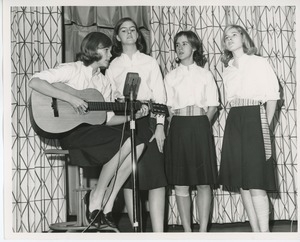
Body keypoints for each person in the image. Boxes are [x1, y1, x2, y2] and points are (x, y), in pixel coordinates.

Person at [28, 32, 148, 231]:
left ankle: (107, 202)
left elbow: (107, 119)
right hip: (71, 133)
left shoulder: (104, 83)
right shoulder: (72, 69)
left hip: (93, 132)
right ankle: (96, 196)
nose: (111, 54)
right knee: (128, 141)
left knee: (139, 142)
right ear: (93, 49)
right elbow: (35, 82)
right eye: (107, 50)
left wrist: (135, 116)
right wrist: (70, 98)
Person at [105, 17, 167, 232]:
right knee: (130, 176)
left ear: (138, 35)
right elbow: (109, 96)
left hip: (148, 121)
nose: (129, 33)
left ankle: (159, 233)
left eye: (133, 29)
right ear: (117, 36)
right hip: (125, 121)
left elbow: (160, 95)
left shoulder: (149, 62)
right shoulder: (113, 65)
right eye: (124, 30)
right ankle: (137, 231)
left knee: (156, 177)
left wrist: (160, 126)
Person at [218, 24, 280, 232]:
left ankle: (265, 233)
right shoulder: (227, 70)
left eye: (234, 34)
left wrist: (266, 125)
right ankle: (255, 232)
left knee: (256, 181)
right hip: (234, 119)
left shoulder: (259, 62)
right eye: (226, 36)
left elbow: (272, 96)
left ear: (243, 37)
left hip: (255, 118)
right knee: (242, 180)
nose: (229, 38)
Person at [164, 31, 219, 232]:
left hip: (200, 126)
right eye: (177, 44)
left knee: (204, 182)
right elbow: (168, 108)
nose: (180, 48)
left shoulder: (205, 74)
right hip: (178, 127)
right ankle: (187, 231)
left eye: (184, 44)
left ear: (194, 47)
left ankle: (203, 231)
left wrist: (202, 124)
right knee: (181, 182)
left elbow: (213, 106)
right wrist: (176, 126)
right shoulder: (170, 76)